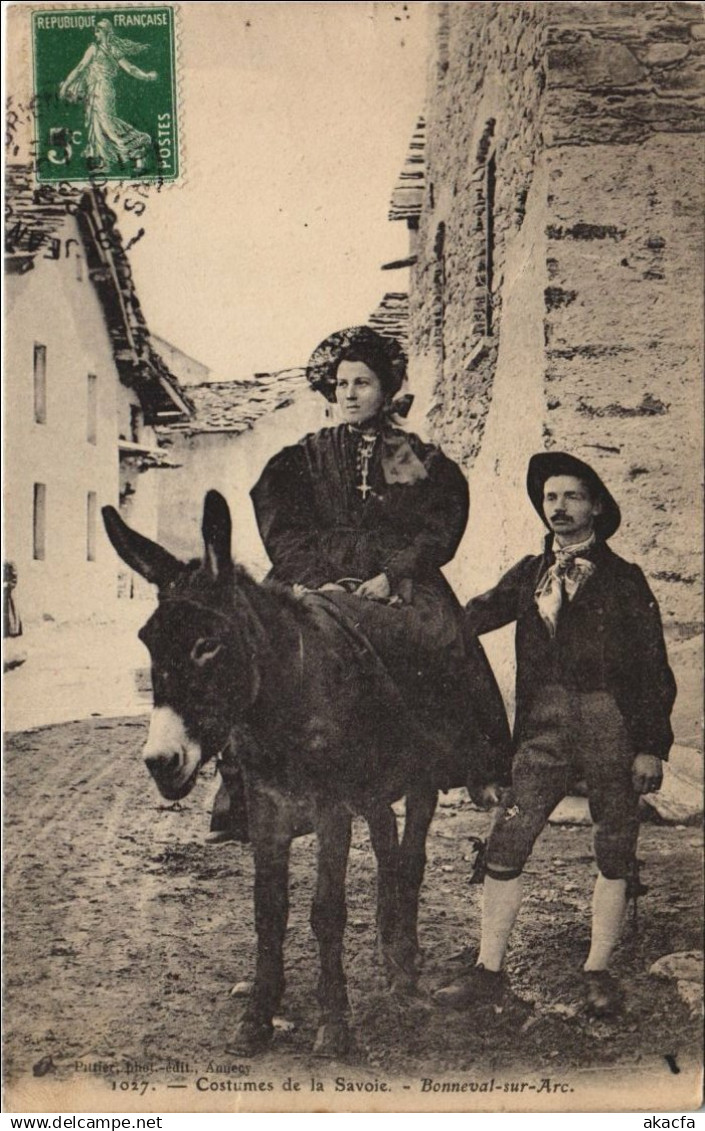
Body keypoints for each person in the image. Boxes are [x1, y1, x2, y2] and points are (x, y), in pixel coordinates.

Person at [208, 326, 511, 842]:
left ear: (386, 390)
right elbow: (283, 527)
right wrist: (317, 580)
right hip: (313, 575)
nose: (349, 394)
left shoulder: (413, 457)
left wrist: (392, 574)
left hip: (395, 576)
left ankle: (465, 765)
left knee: (441, 637)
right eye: (341, 384)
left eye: (362, 384)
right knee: (256, 644)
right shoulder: (305, 456)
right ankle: (245, 793)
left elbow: (436, 526)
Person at [434, 452, 677, 1017]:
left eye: (572, 496)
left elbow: (652, 668)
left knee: (614, 845)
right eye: (550, 498)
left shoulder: (624, 580)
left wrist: (649, 747)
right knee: (507, 840)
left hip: (608, 725)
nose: (559, 508)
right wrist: (410, 611)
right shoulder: (528, 573)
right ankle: (489, 971)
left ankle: (597, 971)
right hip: (542, 726)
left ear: (596, 505)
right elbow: (468, 619)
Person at [59, 19, 157, 171]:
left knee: (107, 125)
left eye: (98, 31)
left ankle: (139, 149)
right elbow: (80, 68)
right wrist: (66, 84)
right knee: (97, 125)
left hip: (103, 89)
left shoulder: (106, 50)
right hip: (94, 90)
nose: (95, 34)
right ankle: (107, 162)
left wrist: (146, 76)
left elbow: (130, 68)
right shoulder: (96, 48)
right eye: (95, 31)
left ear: (105, 32)